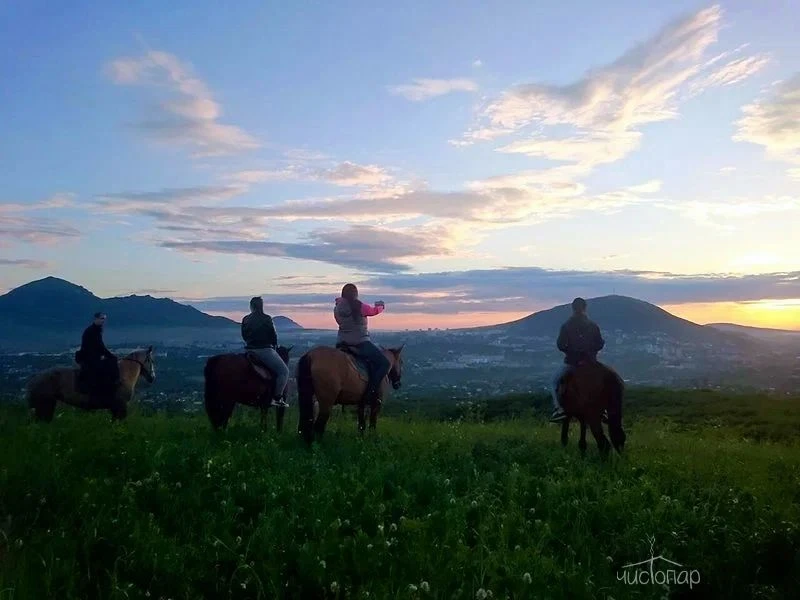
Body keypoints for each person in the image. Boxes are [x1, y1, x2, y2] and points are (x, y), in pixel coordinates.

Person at [334, 283, 390, 407]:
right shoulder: (359, 306)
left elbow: (339, 321)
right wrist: (380, 306)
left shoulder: (337, 307)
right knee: (384, 363)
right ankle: (371, 392)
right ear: (356, 294)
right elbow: (373, 311)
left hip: (342, 343)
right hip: (360, 342)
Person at [549, 297, 605, 422]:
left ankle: (559, 409)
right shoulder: (593, 325)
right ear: (585, 308)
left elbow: (561, 345)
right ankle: (604, 410)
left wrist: (572, 352)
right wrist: (590, 351)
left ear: (573, 308)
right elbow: (600, 344)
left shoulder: (567, 326)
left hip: (572, 363)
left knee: (554, 382)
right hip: (591, 362)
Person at [241, 297, 289, 408]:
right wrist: (274, 345)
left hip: (249, 350)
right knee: (284, 372)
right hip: (264, 350)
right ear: (261, 306)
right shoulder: (267, 318)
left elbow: (244, 335)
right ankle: (277, 398)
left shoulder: (245, 319)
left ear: (251, 306)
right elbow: (273, 335)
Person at [76, 312, 120, 403]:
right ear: (95, 319)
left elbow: (100, 346)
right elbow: (99, 346)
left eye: (104, 318)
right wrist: (110, 355)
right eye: (101, 318)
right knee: (110, 363)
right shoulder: (92, 330)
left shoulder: (97, 330)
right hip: (89, 357)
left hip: (93, 356)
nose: (103, 320)